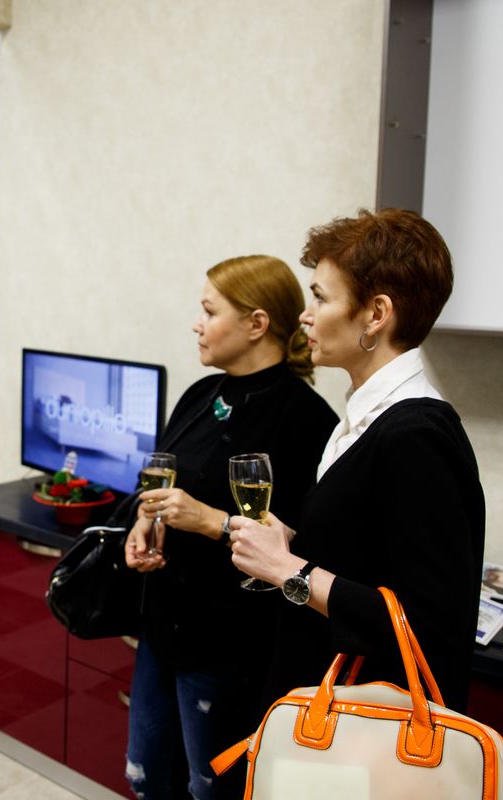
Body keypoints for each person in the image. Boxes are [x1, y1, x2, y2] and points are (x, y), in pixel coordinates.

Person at [230, 209, 485, 715]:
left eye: (321, 298)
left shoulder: (416, 435)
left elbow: (428, 627)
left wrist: (288, 569)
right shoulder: (364, 417)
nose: (305, 316)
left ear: (376, 314)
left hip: (370, 720)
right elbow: (369, 562)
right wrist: (294, 545)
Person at [121, 255, 338, 800]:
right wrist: (143, 522)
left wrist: (209, 521)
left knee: (211, 789)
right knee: (147, 777)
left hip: (230, 644)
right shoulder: (201, 395)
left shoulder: (308, 420)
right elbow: (160, 477)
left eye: (209, 311)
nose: (196, 324)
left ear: (257, 323)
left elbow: (302, 548)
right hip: (162, 627)